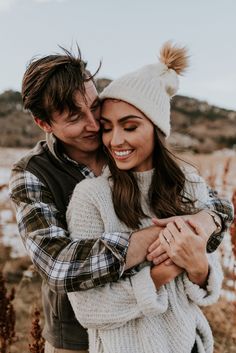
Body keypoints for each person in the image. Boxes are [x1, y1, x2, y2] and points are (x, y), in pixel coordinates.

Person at [9, 45, 233, 353]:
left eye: (94, 105)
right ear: (44, 124)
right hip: (78, 337)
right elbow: (59, 266)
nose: (93, 124)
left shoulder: (122, 145)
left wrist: (204, 223)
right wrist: (167, 235)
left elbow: (215, 206)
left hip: (166, 332)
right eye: (75, 117)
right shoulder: (33, 174)